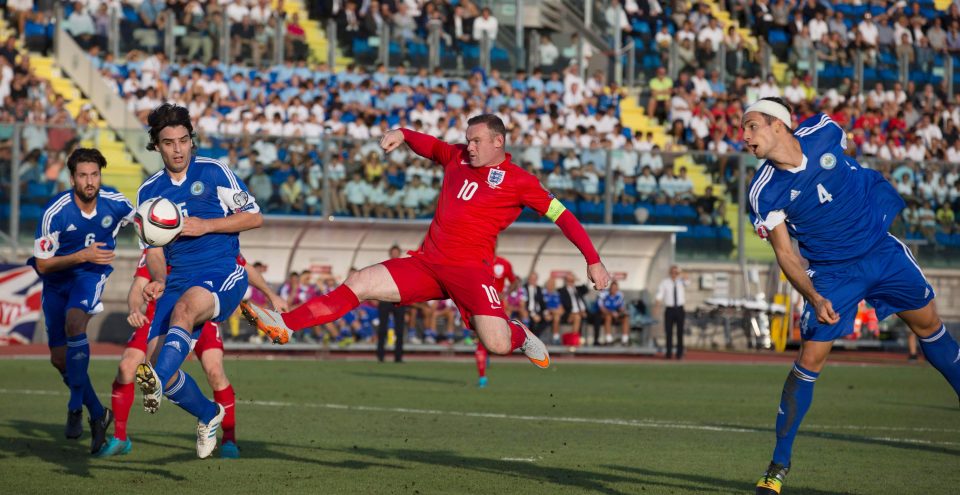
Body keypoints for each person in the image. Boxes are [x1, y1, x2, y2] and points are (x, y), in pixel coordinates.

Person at [242, 114, 611, 371]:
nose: (469, 147)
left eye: (477, 141)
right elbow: (430, 145)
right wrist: (402, 133)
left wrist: (593, 259)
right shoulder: (457, 158)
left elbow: (563, 216)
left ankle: (521, 334)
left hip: (471, 272)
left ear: (498, 142)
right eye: (467, 140)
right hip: (428, 263)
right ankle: (287, 324)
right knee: (361, 281)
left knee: (497, 344)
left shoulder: (520, 181)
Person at [742, 97, 960, 495]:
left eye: (751, 126)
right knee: (810, 360)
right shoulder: (763, 191)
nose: (744, 137)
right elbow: (786, 255)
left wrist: (860, 187)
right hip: (831, 274)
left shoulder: (824, 129)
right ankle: (777, 467)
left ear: (779, 125)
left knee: (932, 327)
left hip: (881, 251)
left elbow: (849, 155)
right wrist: (813, 295)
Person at [135, 103, 262, 459]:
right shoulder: (148, 192)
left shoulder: (215, 171)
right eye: (169, 142)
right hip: (178, 279)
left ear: (192, 140)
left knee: (185, 311)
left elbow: (254, 217)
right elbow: (154, 250)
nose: (177, 149)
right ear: (156, 146)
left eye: (183, 140)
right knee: (156, 358)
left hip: (222, 270)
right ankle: (208, 414)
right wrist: (157, 279)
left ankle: (155, 381)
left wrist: (206, 225)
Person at [97, 250, 285, 458]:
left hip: (201, 314)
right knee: (129, 367)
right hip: (160, 317)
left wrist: (271, 294)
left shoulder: (207, 234)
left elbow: (242, 266)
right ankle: (121, 437)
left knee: (214, 371)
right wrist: (134, 309)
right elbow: (139, 285)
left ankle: (229, 440)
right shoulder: (156, 246)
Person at [29, 148, 133, 455]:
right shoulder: (55, 211)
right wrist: (81, 255)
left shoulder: (115, 203)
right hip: (56, 282)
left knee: (76, 322)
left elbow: (147, 223)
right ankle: (98, 414)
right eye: (83, 175)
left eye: (95, 175)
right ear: (72, 178)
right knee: (59, 360)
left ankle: (76, 406)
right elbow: (44, 265)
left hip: (91, 275)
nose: (90, 181)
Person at [474, 249, 519, 387]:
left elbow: (514, 281)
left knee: (495, 338)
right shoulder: (476, 262)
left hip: (498, 306)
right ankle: (482, 377)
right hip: (480, 305)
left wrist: (504, 293)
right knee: (481, 340)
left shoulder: (504, 263)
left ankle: (487, 354)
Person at [377, 245, 408, 363]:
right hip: (385, 299)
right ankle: (380, 356)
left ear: (399, 254)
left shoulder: (404, 266)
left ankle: (398, 357)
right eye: (393, 252)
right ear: (390, 253)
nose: (394, 254)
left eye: (396, 252)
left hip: (399, 299)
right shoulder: (383, 266)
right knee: (382, 329)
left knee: (399, 330)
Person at [654, 265, 687, 359]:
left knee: (680, 332)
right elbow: (659, 295)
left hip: (680, 309)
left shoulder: (681, 281)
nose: (674, 274)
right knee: (669, 332)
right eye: (673, 272)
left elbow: (687, 279)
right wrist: (656, 307)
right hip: (669, 309)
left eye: (676, 272)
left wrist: (680, 272)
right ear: (669, 273)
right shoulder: (665, 282)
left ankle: (679, 353)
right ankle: (668, 353)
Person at [599, 281, 631, 345]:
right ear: (610, 288)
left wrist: (621, 312)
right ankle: (609, 340)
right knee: (608, 317)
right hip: (606, 315)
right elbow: (601, 308)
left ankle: (625, 340)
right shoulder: (604, 294)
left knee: (626, 318)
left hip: (616, 315)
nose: (613, 290)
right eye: (612, 288)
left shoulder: (620, 295)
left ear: (617, 289)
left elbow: (621, 307)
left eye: (615, 288)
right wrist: (611, 312)